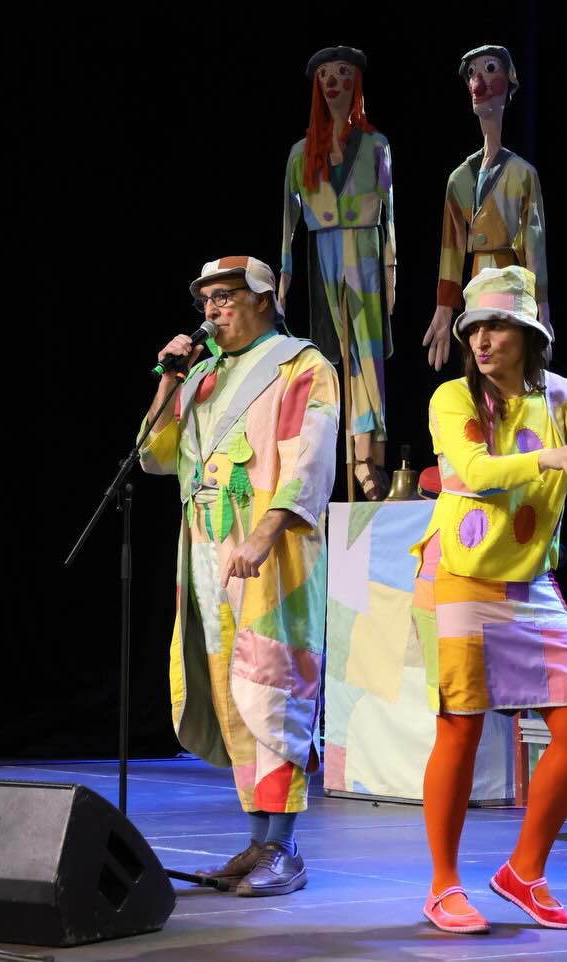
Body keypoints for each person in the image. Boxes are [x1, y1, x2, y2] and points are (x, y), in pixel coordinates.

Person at [413, 264, 567, 933]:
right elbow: (472, 474)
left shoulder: (562, 397)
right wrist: (552, 459)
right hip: (463, 576)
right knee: (462, 725)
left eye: (497, 325)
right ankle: (443, 884)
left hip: (531, 581)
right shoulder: (453, 399)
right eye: (474, 327)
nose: (482, 339)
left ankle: (523, 872)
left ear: (528, 334)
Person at [139, 256, 340, 896]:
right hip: (204, 553)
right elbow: (153, 456)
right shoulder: (198, 374)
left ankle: (285, 849)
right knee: (232, 699)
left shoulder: (301, 365)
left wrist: (260, 536)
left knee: (271, 691)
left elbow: (308, 462)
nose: (212, 311)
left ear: (264, 299)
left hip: (271, 556)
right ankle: (258, 842)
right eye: (206, 301)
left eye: (225, 298)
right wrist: (168, 380)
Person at [280, 45, 396, 499]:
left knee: (367, 359)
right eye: (325, 74)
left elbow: (389, 215)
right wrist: (285, 278)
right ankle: (342, 458)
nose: (333, 81)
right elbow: (287, 223)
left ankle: (367, 455)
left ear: (356, 83)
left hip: (364, 250)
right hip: (324, 250)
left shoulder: (376, 145)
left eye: (343, 73)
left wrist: (390, 270)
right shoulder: (299, 154)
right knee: (334, 356)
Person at [423, 45, 551, 374]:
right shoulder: (459, 179)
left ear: (508, 85)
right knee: (479, 362)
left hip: (511, 278)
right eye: (471, 73)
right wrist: (444, 307)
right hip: (477, 278)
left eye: (489, 69)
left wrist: (542, 309)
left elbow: (534, 246)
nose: (478, 80)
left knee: (507, 361)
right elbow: (451, 248)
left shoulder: (523, 174)